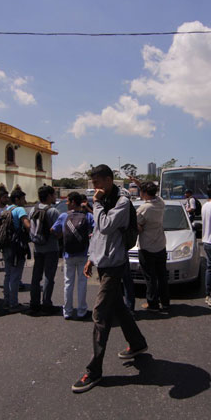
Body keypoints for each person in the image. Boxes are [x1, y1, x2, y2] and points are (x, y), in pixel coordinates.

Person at [72, 165, 147, 394]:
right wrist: (90, 258)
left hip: (115, 265)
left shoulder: (121, 202)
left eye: (98, 183)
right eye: (93, 183)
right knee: (119, 309)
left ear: (108, 180)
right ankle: (137, 343)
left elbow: (104, 226)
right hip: (103, 262)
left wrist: (95, 203)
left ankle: (94, 371)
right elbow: (97, 234)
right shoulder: (104, 200)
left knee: (100, 314)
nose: (95, 187)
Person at [52, 192, 94, 319]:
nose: (67, 203)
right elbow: (97, 228)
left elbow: (53, 230)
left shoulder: (64, 216)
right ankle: (81, 311)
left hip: (68, 254)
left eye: (68, 201)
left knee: (68, 283)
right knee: (82, 283)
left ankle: (68, 311)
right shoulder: (88, 217)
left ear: (74, 202)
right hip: (83, 254)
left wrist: (61, 236)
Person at [134, 180, 169, 313]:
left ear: (143, 193)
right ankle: (165, 303)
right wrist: (139, 183)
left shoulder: (144, 208)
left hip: (147, 247)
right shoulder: (160, 203)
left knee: (150, 277)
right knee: (162, 276)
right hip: (161, 245)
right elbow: (152, 194)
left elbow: (138, 228)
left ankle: (153, 303)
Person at [28, 185, 60, 315]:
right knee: (48, 277)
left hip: (37, 247)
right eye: (53, 195)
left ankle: (34, 303)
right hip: (51, 248)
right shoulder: (53, 211)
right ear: (49, 196)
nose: (55, 197)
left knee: (36, 277)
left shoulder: (32, 209)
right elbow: (57, 231)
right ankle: (47, 304)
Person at [2, 190, 30, 313]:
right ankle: (13, 304)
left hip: (6, 245)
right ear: (17, 199)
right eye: (23, 199)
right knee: (15, 275)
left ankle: (7, 301)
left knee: (8, 274)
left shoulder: (6, 210)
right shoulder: (20, 210)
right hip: (17, 246)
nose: (25, 201)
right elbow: (27, 225)